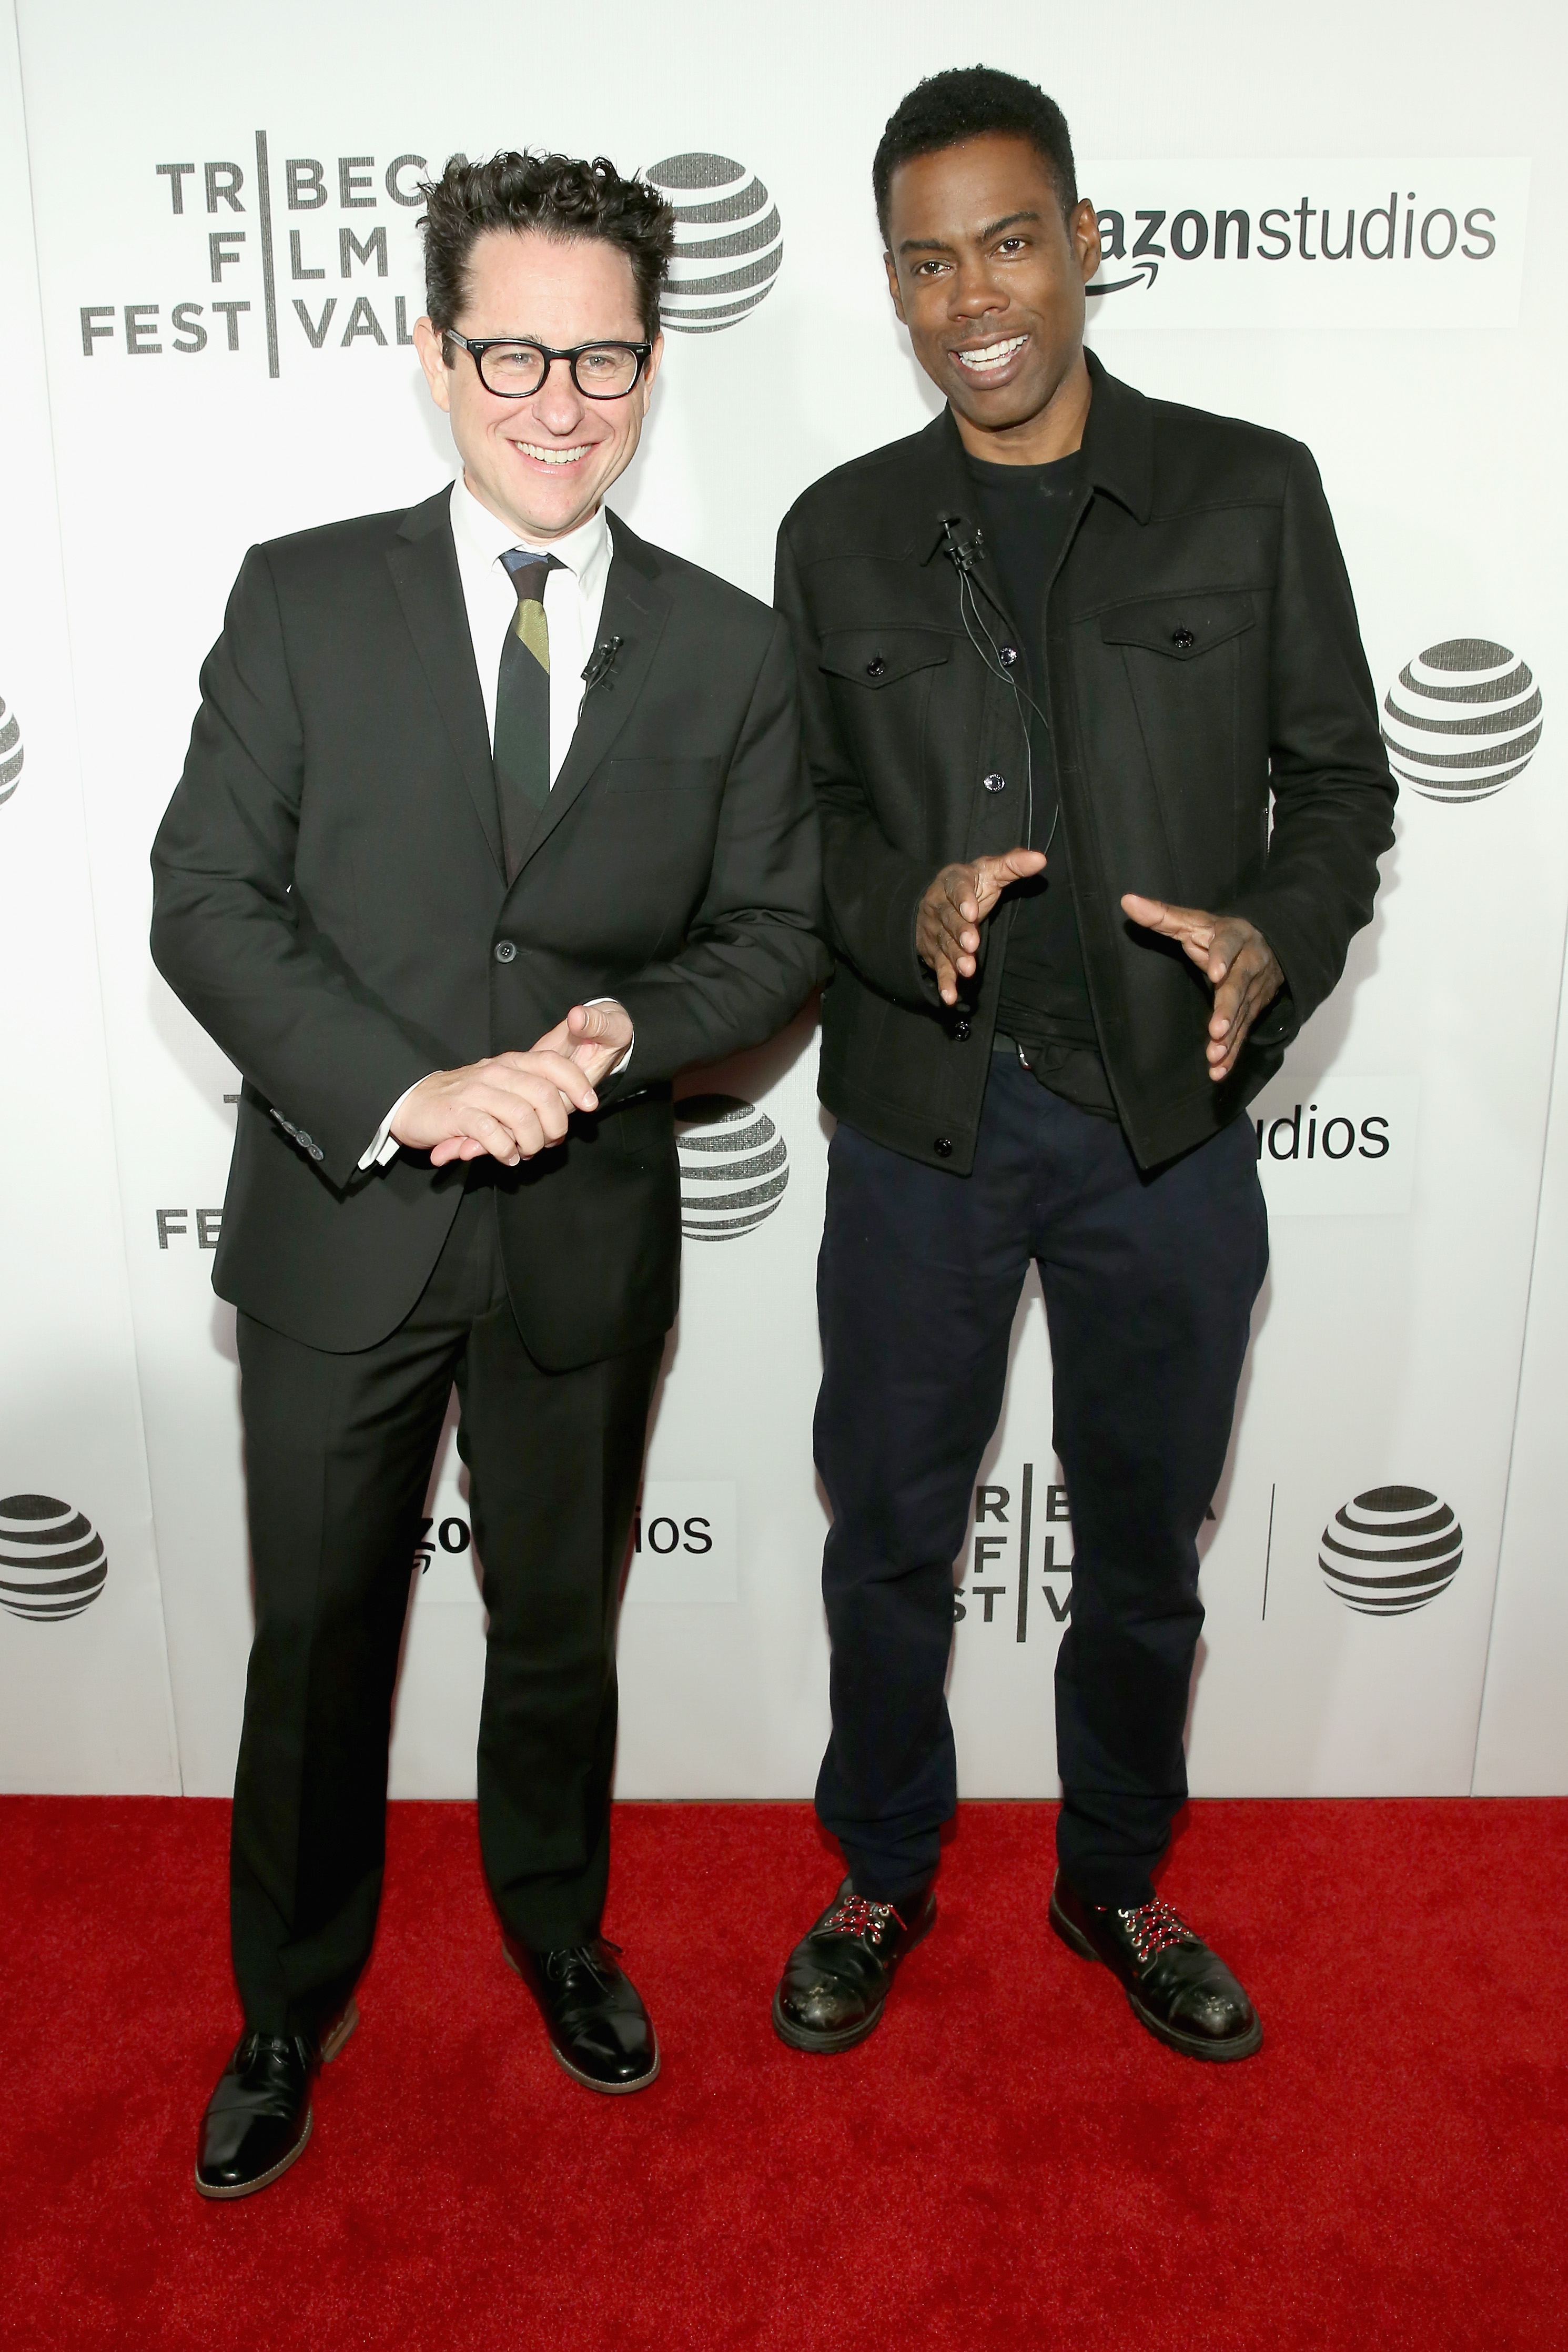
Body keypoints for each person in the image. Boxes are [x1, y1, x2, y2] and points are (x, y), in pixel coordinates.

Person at [152, 149, 825, 2197]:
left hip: (584, 1242)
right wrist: (410, 1086)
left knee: (555, 1627)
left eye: (603, 354)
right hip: (340, 1224)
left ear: (648, 361)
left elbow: (777, 934)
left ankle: (557, 1927)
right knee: (316, 1639)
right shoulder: (299, 592)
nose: (561, 397)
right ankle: (288, 2000)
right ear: (434, 353)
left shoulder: (724, 649)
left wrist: (613, 1034)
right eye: (513, 349)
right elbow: (206, 897)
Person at [771, 67, 1394, 2062]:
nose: (977, 295)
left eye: (1011, 239)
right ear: (891, 285)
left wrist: (1272, 937)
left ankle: (1117, 1884)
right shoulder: (839, 531)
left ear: (1087, 242)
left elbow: (1342, 788)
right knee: (886, 1528)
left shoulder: (1251, 489)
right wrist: (909, 913)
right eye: (929, 259)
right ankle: (880, 1873)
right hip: (920, 1124)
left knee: (1143, 1548)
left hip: (1166, 1127)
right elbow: (802, 839)